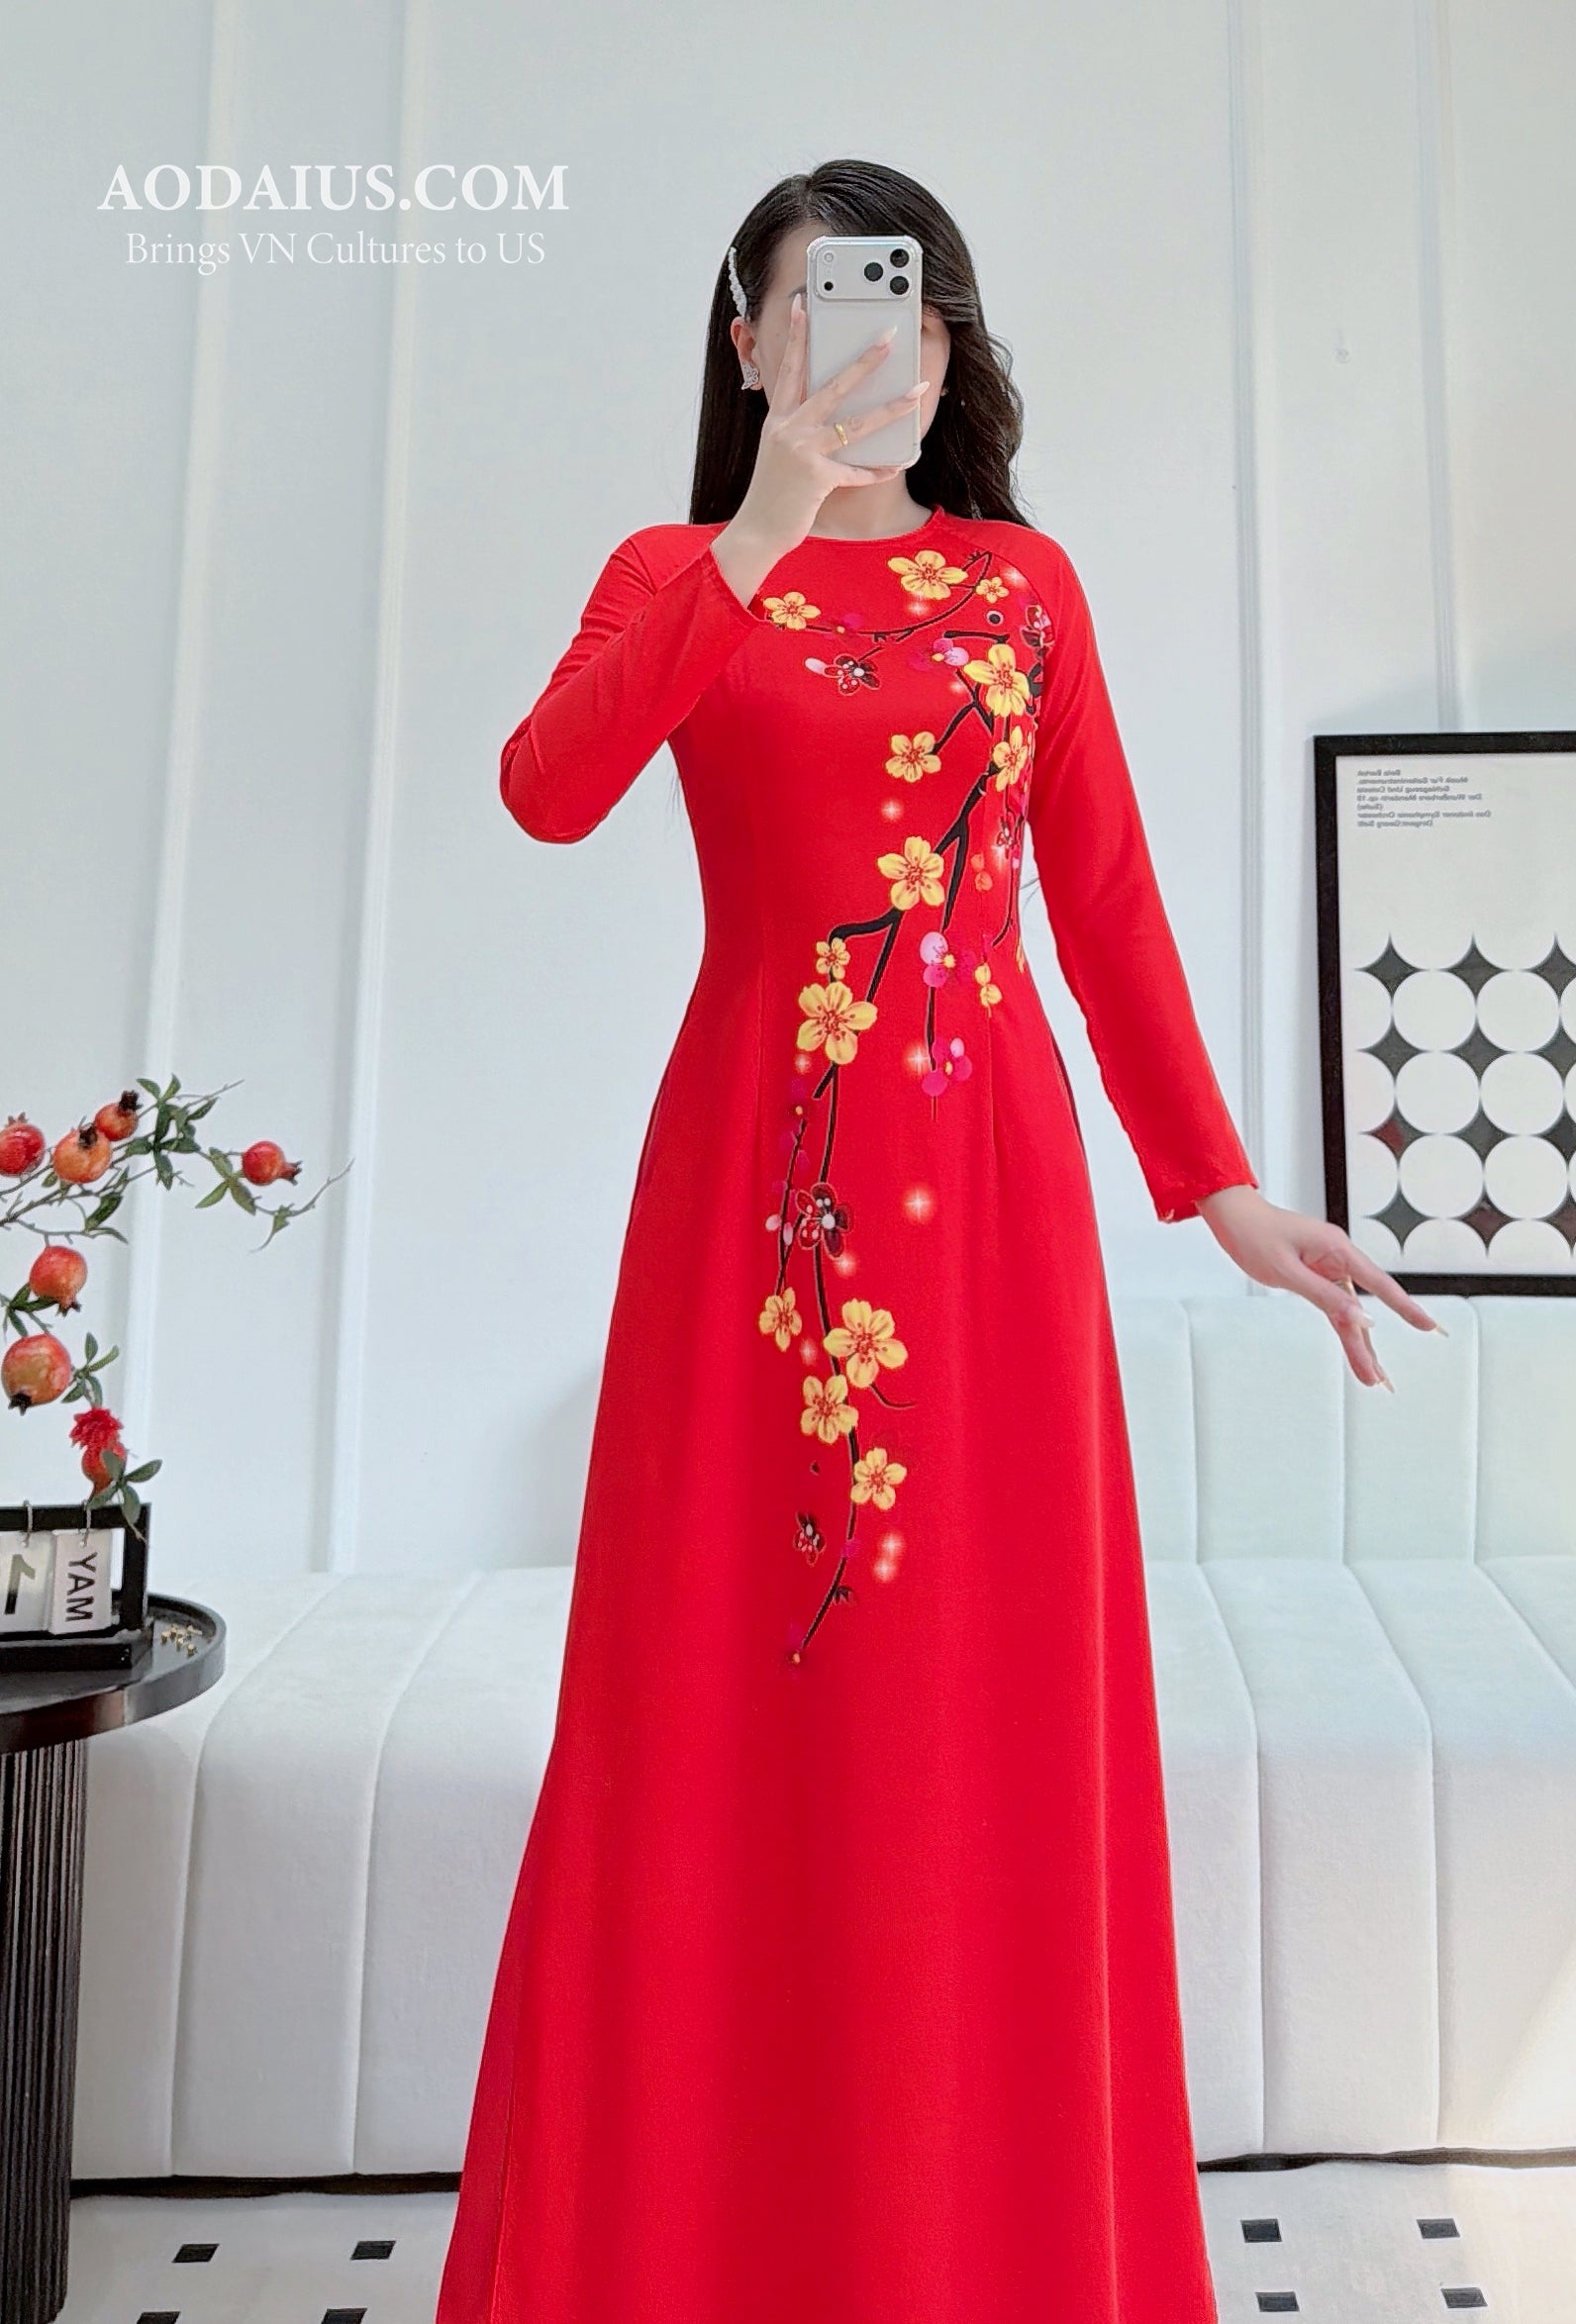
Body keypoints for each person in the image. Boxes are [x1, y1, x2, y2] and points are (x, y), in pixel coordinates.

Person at [434, 159, 1438, 2324]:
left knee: (979, 1736)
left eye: (906, 308)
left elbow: (1106, 902)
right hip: (754, 1215)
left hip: (990, 1216)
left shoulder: (1021, 587)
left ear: (949, 341)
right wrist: (762, 526)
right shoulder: (676, 575)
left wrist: (1223, 1191)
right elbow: (545, 787)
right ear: (747, 344)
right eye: (818, 307)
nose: (871, 346)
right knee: (715, 1719)